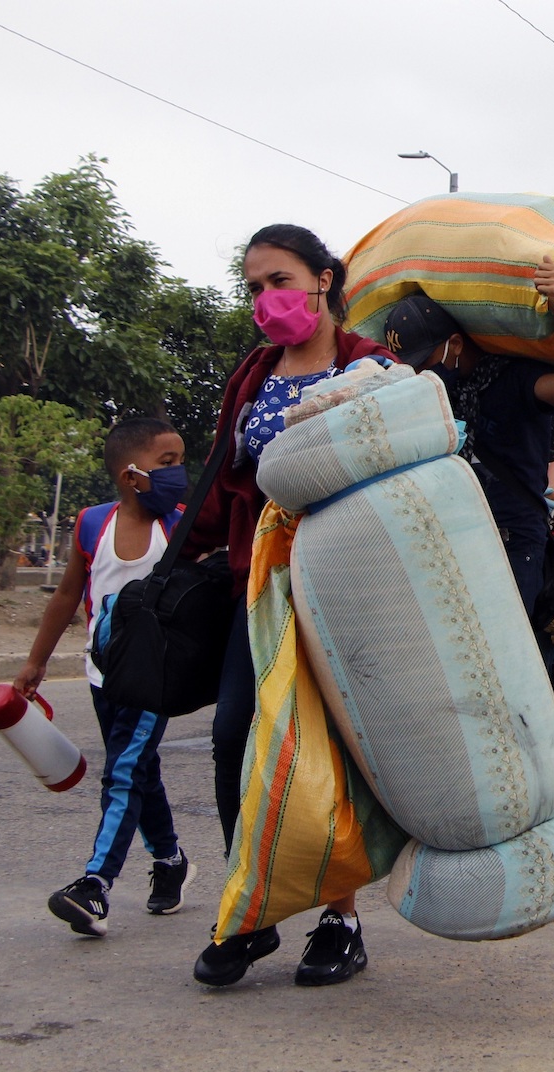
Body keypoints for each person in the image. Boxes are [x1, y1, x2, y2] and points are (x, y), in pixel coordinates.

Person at [182, 224, 395, 987]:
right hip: (261, 584)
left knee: (331, 750)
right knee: (236, 735)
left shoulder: (375, 368)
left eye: (278, 280)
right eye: (252, 287)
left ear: (325, 279)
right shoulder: (253, 373)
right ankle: (255, 911)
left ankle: (340, 918)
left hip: (343, 590)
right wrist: (183, 549)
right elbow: (223, 477)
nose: (264, 300)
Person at [16, 417, 192, 938]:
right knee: (138, 767)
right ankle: (169, 859)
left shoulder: (180, 526)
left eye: (180, 461)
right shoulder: (92, 523)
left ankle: (95, 884)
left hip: (154, 678)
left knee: (121, 772)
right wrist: (36, 661)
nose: (179, 473)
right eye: (167, 463)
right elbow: (68, 595)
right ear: (129, 474)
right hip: (102, 672)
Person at [379, 263, 554, 615]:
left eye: (423, 361)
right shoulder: (436, 397)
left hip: (514, 543)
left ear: (456, 343)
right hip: (452, 541)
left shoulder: (513, 379)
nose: (417, 374)